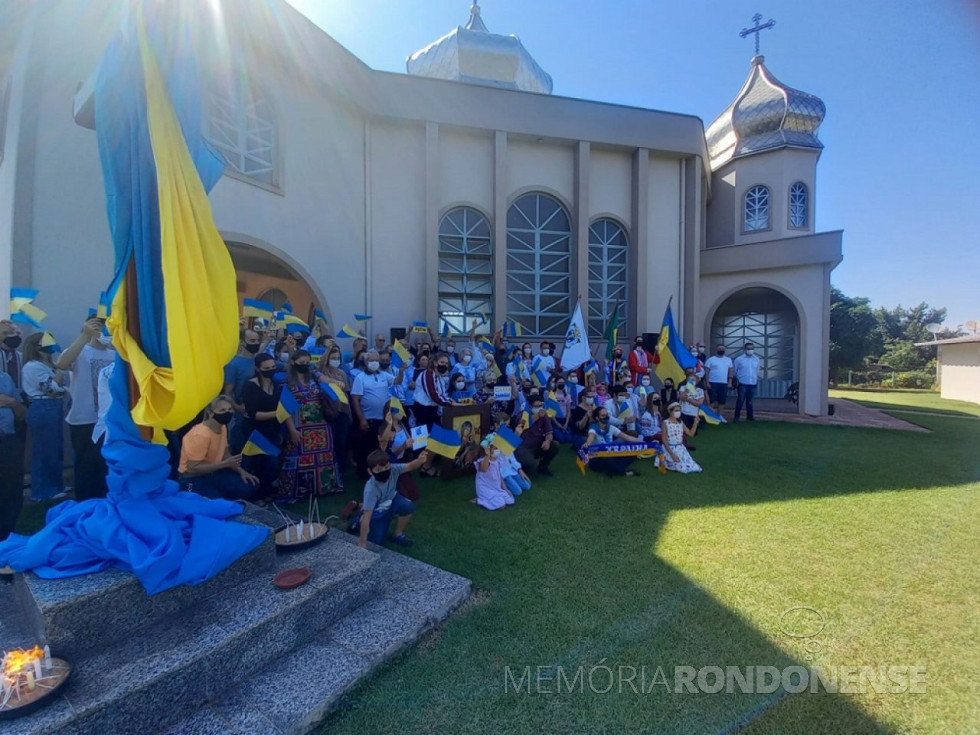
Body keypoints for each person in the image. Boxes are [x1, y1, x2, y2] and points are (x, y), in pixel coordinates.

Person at [55, 316, 116, 501]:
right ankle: (86, 507)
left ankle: (108, 506)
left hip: (111, 421)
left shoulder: (114, 354)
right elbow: (62, 364)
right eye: (98, 326)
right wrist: (84, 336)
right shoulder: (81, 351)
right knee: (86, 468)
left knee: (109, 467)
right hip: (85, 420)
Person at [279, 350, 342, 500]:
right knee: (297, 457)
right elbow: (285, 408)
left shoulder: (314, 376)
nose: (305, 366)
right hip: (298, 426)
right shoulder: (286, 382)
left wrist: (336, 382)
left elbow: (328, 380)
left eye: (307, 363)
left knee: (324, 457)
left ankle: (325, 488)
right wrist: (291, 429)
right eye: (302, 363)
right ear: (293, 362)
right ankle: (300, 490)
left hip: (321, 425)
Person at [178, 395, 263, 500]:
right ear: (210, 412)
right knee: (209, 505)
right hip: (191, 479)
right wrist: (223, 464)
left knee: (250, 486)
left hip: (214, 474)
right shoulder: (200, 434)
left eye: (230, 409)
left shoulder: (222, 427)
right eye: (222, 410)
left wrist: (241, 471)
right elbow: (192, 468)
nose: (227, 413)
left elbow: (225, 454)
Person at [21, 333, 67, 501]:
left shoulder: (48, 365)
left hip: (53, 408)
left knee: (56, 447)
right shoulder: (33, 366)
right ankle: (42, 491)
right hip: (43, 407)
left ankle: (56, 485)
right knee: (44, 450)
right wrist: (59, 376)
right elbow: (51, 389)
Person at [355, 449, 431, 548]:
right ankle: (357, 520)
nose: (384, 471)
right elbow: (367, 516)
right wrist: (362, 540)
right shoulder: (371, 490)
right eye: (379, 470)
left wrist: (420, 460)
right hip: (377, 510)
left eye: (386, 467)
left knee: (408, 506)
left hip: (392, 499)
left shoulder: (394, 469)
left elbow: (411, 466)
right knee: (376, 541)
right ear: (370, 471)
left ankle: (397, 535)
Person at [241, 353, 288, 496]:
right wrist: (278, 413)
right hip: (256, 432)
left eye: (273, 367)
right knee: (261, 464)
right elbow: (254, 414)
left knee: (272, 465)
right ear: (258, 368)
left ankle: (268, 491)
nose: (271, 370)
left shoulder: (275, 384)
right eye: (267, 368)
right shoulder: (250, 386)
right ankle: (259, 494)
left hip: (273, 429)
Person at [351, 348, 398, 479]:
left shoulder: (383, 375)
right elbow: (355, 399)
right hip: (369, 419)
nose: (375, 363)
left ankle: (381, 471)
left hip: (383, 419)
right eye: (372, 360)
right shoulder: (360, 378)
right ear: (366, 362)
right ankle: (364, 474)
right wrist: (361, 419)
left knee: (382, 447)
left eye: (376, 360)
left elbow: (397, 381)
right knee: (366, 448)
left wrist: (403, 370)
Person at [222, 328, 262, 453]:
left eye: (257, 340)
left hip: (260, 411)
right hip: (241, 414)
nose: (255, 343)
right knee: (240, 448)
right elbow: (228, 392)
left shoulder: (259, 360)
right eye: (252, 340)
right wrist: (237, 407)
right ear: (242, 342)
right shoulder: (233, 364)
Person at [0, 370, 26, 541]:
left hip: (8, 441)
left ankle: (7, 534)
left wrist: (12, 403)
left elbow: (21, 412)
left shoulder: (4, 377)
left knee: (12, 489)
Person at [318, 345, 352, 474]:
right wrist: (328, 349)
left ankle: (341, 467)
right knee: (329, 439)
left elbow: (347, 392)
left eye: (338, 358)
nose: (336, 360)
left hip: (342, 410)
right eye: (333, 358)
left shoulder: (342, 373)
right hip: (328, 411)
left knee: (341, 440)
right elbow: (320, 363)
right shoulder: (322, 372)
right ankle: (328, 466)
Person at [585, 406, 642, 477]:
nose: (606, 417)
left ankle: (612, 469)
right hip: (597, 458)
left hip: (610, 455)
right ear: (597, 418)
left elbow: (627, 438)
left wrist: (643, 443)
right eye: (603, 416)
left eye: (606, 415)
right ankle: (624, 473)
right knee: (606, 458)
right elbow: (591, 436)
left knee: (634, 453)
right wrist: (587, 444)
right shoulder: (593, 427)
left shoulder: (611, 428)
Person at [378, 404, 418, 501]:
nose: (401, 411)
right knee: (405, 496)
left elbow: (411, 441)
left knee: (413, 495)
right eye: (398, 409)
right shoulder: (385, 430)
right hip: (392, 464)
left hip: (403, 461)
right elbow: (388, 454)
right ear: (390, 412)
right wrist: (403, 446)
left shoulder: (402, 425)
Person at [514, 393, 559, 477]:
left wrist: (547, 441)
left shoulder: (544, 415)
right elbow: (523, 423)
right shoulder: (523, 414)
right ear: (530, 406)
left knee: (555, 445)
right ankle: (521, 471)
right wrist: (537, 416)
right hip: (523, 447)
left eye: (541, 405)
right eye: (537, 406)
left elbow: (549, 432)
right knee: (531, 464)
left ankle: (543, 466)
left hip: (538, 446)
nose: (539, 408)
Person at [473, 439, 514, 510]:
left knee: (511, 500)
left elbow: (499, 476)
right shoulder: (483, 460)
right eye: (495, 448)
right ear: (489, 449)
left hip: (495, 488)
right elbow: (483, 469)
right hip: (485, 488)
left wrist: (506, 489)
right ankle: (480, 500)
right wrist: (487, 456)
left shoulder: (497, 461)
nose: (497, 450)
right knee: (501, 505)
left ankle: (496, 497)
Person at [662, 402, 702, 473]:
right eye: (676, 410)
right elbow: (664, 439)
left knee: (691, 465)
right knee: (679, 465)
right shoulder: (666, 423)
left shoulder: (680, 422)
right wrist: (671, 454)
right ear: (670, 411)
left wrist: (695, 423)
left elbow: (690, 434)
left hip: (680, 448)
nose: (678, 412)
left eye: (679, 410)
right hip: (670, 448)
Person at [733, 342, 761, 422]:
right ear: (745, 349)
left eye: (752, 348)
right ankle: (737, 416)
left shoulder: (756, 359)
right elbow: (735, 370)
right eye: (748, 349)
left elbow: (757, 370)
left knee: (750, 401)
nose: (750, 350)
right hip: (742, 383)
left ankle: (750, 416)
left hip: (752, 383)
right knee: (740, 400)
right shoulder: (739, 359)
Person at [703, 343, 734, 414]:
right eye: (719, 349)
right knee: (711, 400)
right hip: (712, 382)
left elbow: (730, 372)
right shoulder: (710, 360)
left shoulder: (728, 360)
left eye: (723, 349)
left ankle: (720, 416)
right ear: (716, 350)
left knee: (722, 401)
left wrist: (730, 382)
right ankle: (711, 416)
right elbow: (706, 372)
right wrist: (707, 383)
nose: (721, 350)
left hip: (724, 383)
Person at [678, 368, 704, 438]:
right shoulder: (683, 387)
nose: (691, 381)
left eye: (693, 380)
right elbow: (681, 397)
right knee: (683, 431)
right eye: (689, 380)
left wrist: (689, 399)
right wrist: (687, 389)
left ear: (697, 381)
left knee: (693, 433)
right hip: (683, 412)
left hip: (693, 413)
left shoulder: (700, 390)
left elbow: (699, 403)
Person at [0, 320, 24, 391]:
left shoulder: (22, 356)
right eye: (5, 333)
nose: (11, 336)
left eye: (13, 333)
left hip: (20, 396)